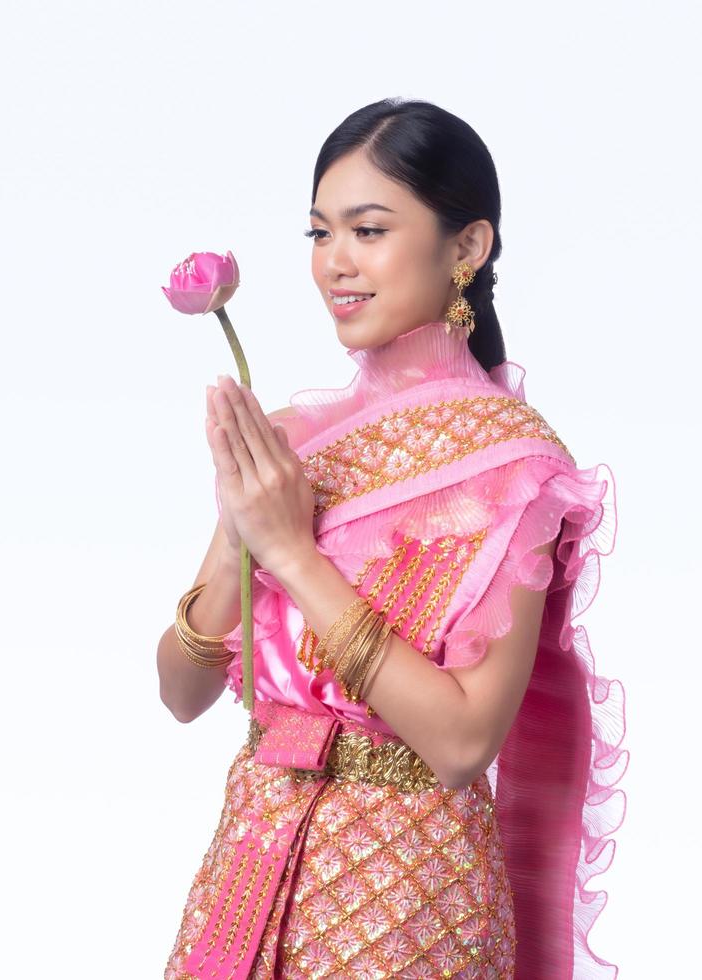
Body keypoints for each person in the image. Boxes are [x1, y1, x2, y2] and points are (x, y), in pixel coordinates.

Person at [159, 98, 627, 980]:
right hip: (247, 872)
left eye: (368, 230)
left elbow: (459, 743)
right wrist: (238, 533)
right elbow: (181, 695)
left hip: (408, 901)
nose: (335, 263)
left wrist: (292, 555)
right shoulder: (296, 442)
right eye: (318, 232)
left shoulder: (511, 467)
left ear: (467, 247)